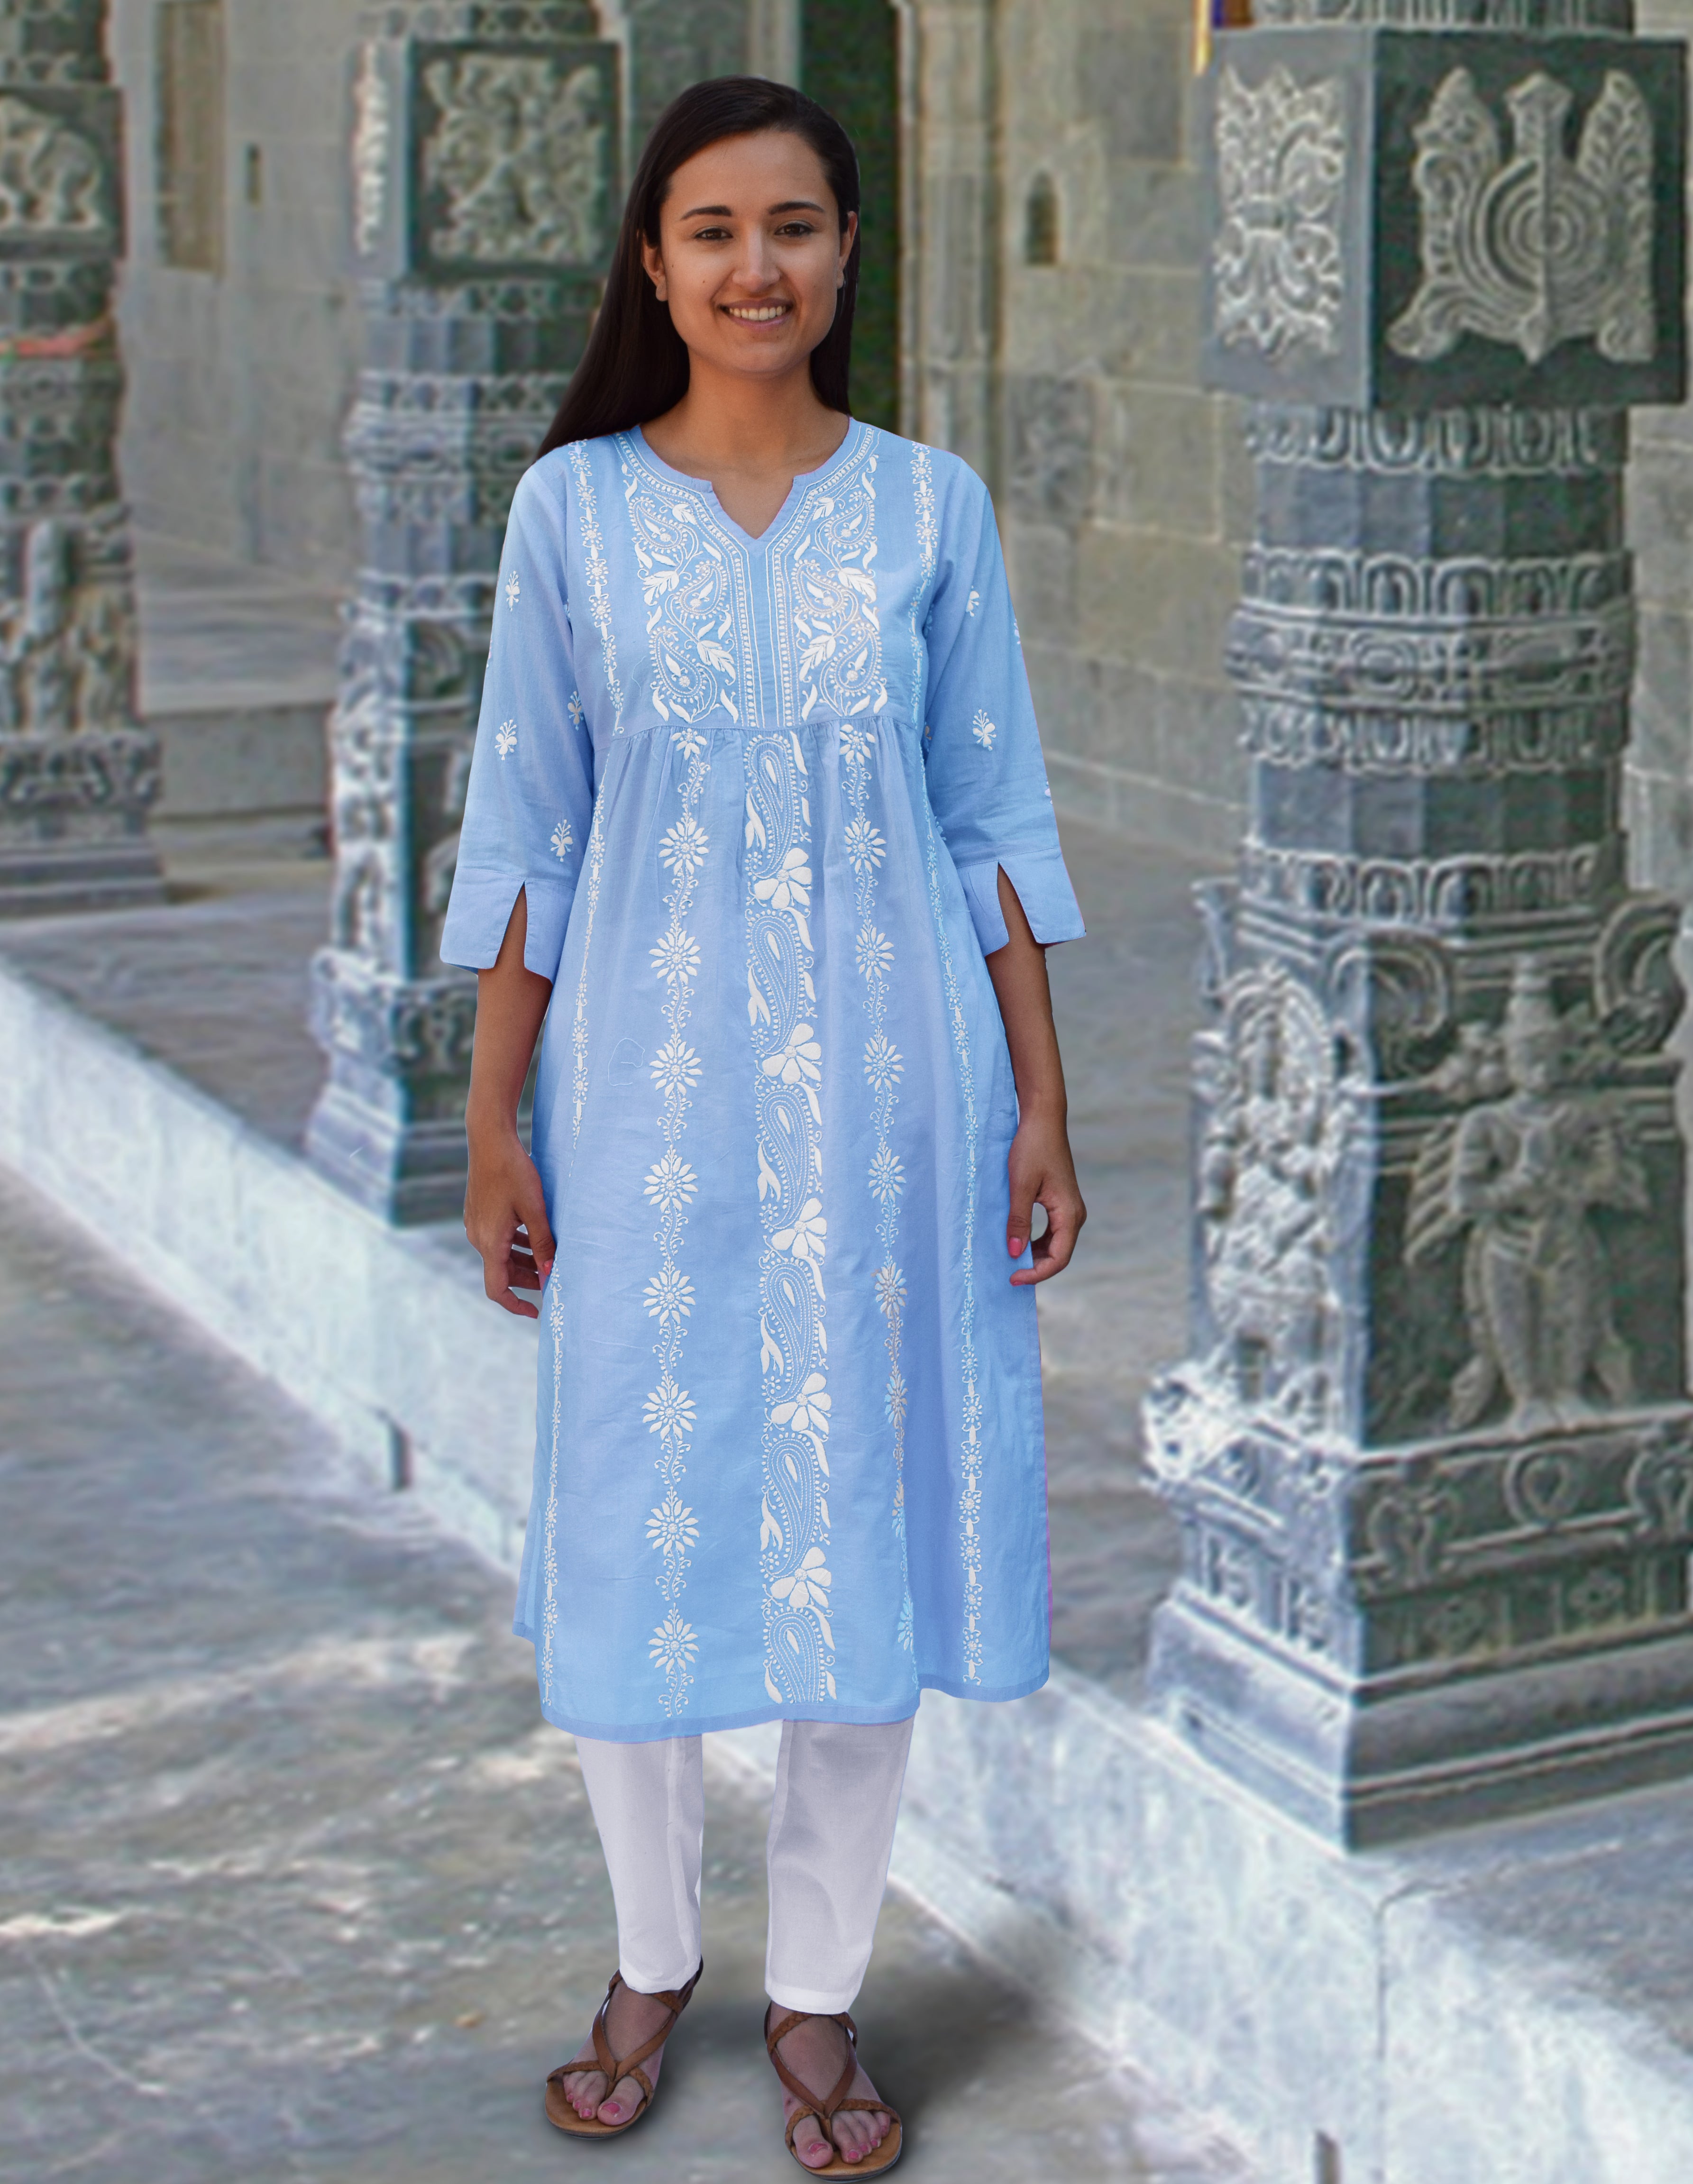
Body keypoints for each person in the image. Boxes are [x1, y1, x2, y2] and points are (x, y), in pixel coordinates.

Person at [441, 75, 1087, 2175]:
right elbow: (527, 841)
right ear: (652, 261)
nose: (755, 267)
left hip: (898, 1101)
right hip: (637, 1097)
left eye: (793, 226)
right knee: (637, 1512)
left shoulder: (926, 510)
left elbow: (989, 822)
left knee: (855, 1519)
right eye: (712, 229)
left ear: (845, 254)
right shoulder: (571, 514)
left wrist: (1040, 1103)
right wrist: (493, 1123)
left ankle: (815, 1995)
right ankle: (650, 1957)